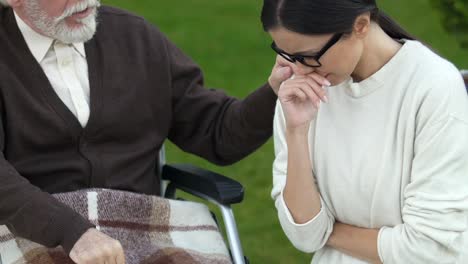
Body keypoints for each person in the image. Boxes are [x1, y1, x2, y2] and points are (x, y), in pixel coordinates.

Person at [0, 0, 298, 263]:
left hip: (142, 226)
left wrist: (275, 91)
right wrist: (70, 230)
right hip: (32, 230)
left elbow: (217, 132)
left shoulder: (136, 38)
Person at [264, 0, 468, 263]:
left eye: (308, 56)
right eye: (287, 54)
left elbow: (428, 250)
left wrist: (329, 231)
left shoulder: (433, 89)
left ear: (360, 25)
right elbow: (303, 235)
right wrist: (296, 131)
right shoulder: (298, 92)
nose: (299, 70)